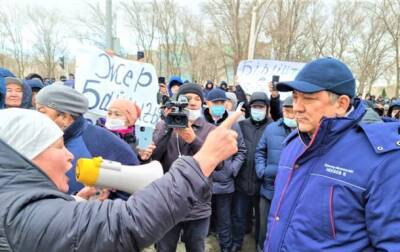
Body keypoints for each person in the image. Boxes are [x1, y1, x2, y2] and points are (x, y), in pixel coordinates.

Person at [0, 108, 241, 252]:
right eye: (59, 146)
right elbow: (126, 224)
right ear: (29, 153)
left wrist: (76, 203)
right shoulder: (22, 214)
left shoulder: (13, 200)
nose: (69, 155)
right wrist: (205, 159)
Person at [264, 57, 400, 251]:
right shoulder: (293, 144)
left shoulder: (382, 160)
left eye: (308, 98)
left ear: (341, 104)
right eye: (295, 97)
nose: (297, 107)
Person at [144, 83, 216, 252]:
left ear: (202, 103)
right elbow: (154, 159)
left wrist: (193, 140)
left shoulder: (211, 129)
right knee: (164, 248)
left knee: (196, 248)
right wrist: (169, 127)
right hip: (167, 203)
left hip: (198, 206)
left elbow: (218, 164)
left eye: (197, 99)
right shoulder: (162, 126)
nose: (192, 102)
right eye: (187, 98)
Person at [35, 84, 139, 196]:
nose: (35, 116)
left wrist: (92, 204)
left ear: (65, 117)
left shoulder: (103, 142)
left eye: (42, 111)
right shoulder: (43, 141)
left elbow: (134, 192)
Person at [203, 88, 247, 252]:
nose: (219, 106)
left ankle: (226, 247)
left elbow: (241, 150)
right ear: (208, 103)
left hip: (224, 182)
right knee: (202, 220)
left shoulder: (232, 122)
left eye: (222, 103)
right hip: (203, 181)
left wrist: (232, 169)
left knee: (224, 220)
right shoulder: (201, 121)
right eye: (215, 103)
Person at [254, 96, 296, 251]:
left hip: (292, 193)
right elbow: (260, 151)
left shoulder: (306, 131)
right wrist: (261, 170)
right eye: (286, 110)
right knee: (264, 229)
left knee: (285, 232)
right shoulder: (271, 128)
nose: (290, 115)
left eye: (293, 111)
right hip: (268, 190)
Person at [232, 92, 272, 252]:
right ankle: (236, 243)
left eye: (261, 107)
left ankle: (259, 245)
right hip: (242, 181)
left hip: (262, 183)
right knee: (239, 216)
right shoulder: (242, 126)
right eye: (255, 107)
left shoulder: (273, 127)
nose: (258, 110)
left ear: (267, 109)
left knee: (262, 220)